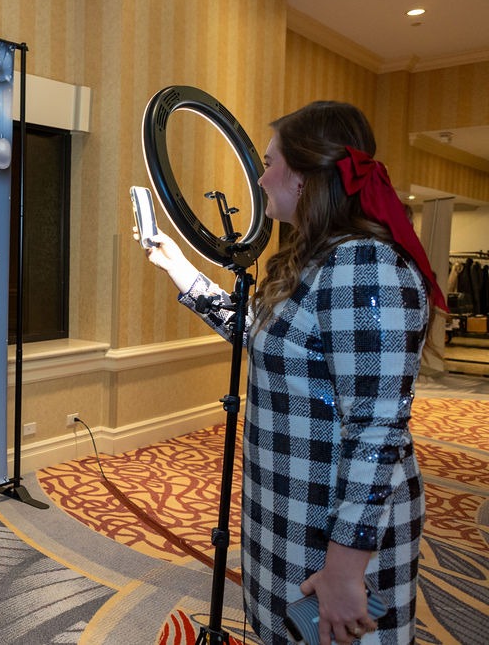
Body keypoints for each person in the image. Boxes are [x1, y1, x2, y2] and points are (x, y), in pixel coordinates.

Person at [145, 101, 443, 645]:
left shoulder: (364, 266)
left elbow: (377, 429)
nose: (261, 178)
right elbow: (268, 340)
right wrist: (182, 272)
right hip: (290, 510)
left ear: (304, 176)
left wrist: (346, 570)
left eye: (269, 163)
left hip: (333, 528)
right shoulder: (318, 261)